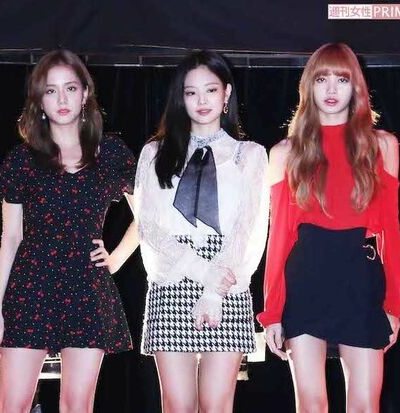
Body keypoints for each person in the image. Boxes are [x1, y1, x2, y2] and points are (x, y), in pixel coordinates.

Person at [0, 49, 139, 413]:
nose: (62, 99)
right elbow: (10, 239)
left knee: (77, 405)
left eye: (70, 88)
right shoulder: (22, 160)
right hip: (30, 285)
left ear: (85, 93)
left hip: (86, 286)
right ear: (39, 101)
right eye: (51, 91)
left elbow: (147, 220)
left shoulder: (110, 153)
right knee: (12, 404)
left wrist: (115, 260)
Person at [258, 42, 400, 412]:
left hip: (360, 278)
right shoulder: (285, 153)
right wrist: (272, 311)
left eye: (341, 79)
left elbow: (391, 231)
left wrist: (394, 303)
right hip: (306, 277)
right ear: (308, 86)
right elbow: (279, 237)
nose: (330, 89)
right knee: (311, 405)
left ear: (356, 86)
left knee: (365, 405)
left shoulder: (382, 146)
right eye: (321, 79)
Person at [134, 50, 269, 413]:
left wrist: (213, 287)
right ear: (180, 98)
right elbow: (149, 225)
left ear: (226, 93)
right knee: (177, 405)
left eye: (210, 90)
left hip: (226, 280)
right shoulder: (154, 153)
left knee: (216, 405)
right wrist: (198, 269)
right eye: (191, 92)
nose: (202, 100)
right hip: (173, 274)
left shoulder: (249, 154)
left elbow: (248, 227)